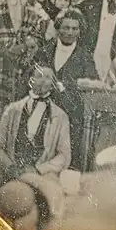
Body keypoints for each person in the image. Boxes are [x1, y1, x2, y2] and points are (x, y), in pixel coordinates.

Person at [0, 63, 72, 198]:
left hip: (42, 174)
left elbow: (64, 155)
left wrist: (39, 169)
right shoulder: (13, 109)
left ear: (53, 84)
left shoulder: (61, 116)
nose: (43, 80)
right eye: (39, 76)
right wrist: (10, 167)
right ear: (30, 80)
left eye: (48, 77)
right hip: (12, 171)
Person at [31, 9, 98, 170]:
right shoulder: (44, 51)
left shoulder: (85, 57)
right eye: (66, 27)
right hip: (44, 110)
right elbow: (31, 77)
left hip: (71, 114)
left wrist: (67, 85)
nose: (69, 32)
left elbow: (91, 84)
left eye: (74, 29)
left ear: (80, 31)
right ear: (58, 28)